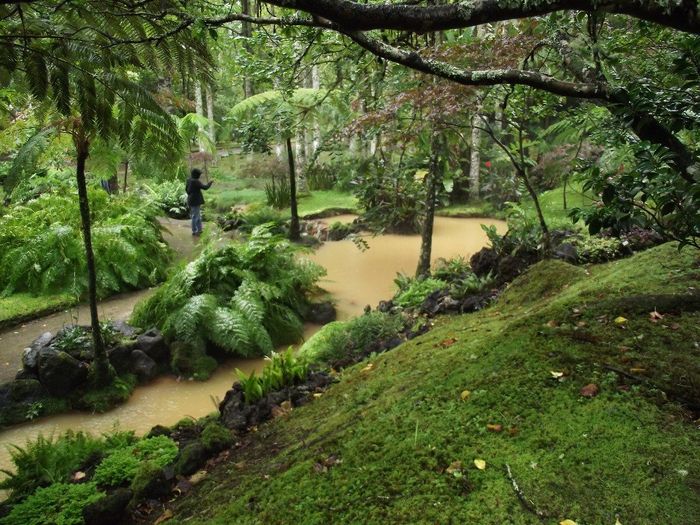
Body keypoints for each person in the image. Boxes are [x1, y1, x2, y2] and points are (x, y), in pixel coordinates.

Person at [185, 168, 213, 236]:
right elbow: (205, 187)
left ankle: (198, 230)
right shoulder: (195, 181)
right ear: (196, 175)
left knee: (196, 216)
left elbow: (186, 190)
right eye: (199, 174)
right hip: (195, 201)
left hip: (191, 200)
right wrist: (210, 182)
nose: (200, 176)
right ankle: (196, 231)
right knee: (196, 216)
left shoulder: (189, 180)